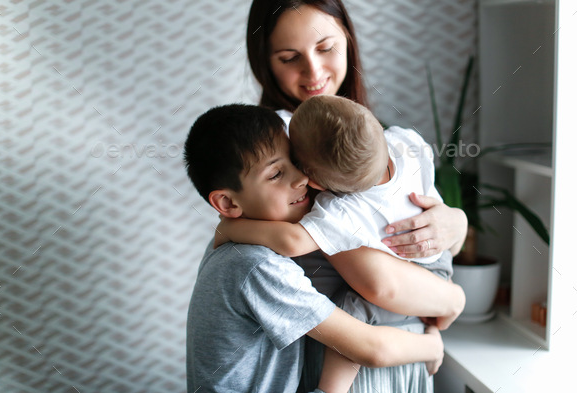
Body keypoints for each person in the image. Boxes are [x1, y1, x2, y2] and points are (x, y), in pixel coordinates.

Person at [244, 1, 468, 391]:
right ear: (264, 61)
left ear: (348, 41)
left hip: (402, 346)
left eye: (325, 48)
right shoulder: (287, 151)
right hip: (361, 351)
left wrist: (455, 222)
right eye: (289, 57)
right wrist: (454, 299)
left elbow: (438, 238)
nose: (313, 72)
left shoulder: (372, 140)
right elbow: (381, 284)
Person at [184, 103, 458, 392]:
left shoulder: (242, 254)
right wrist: (431, 346)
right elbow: (371, 348)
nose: (302, 177)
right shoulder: (256, 265)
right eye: (276, 174)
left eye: (296, 162)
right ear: (227, 204)